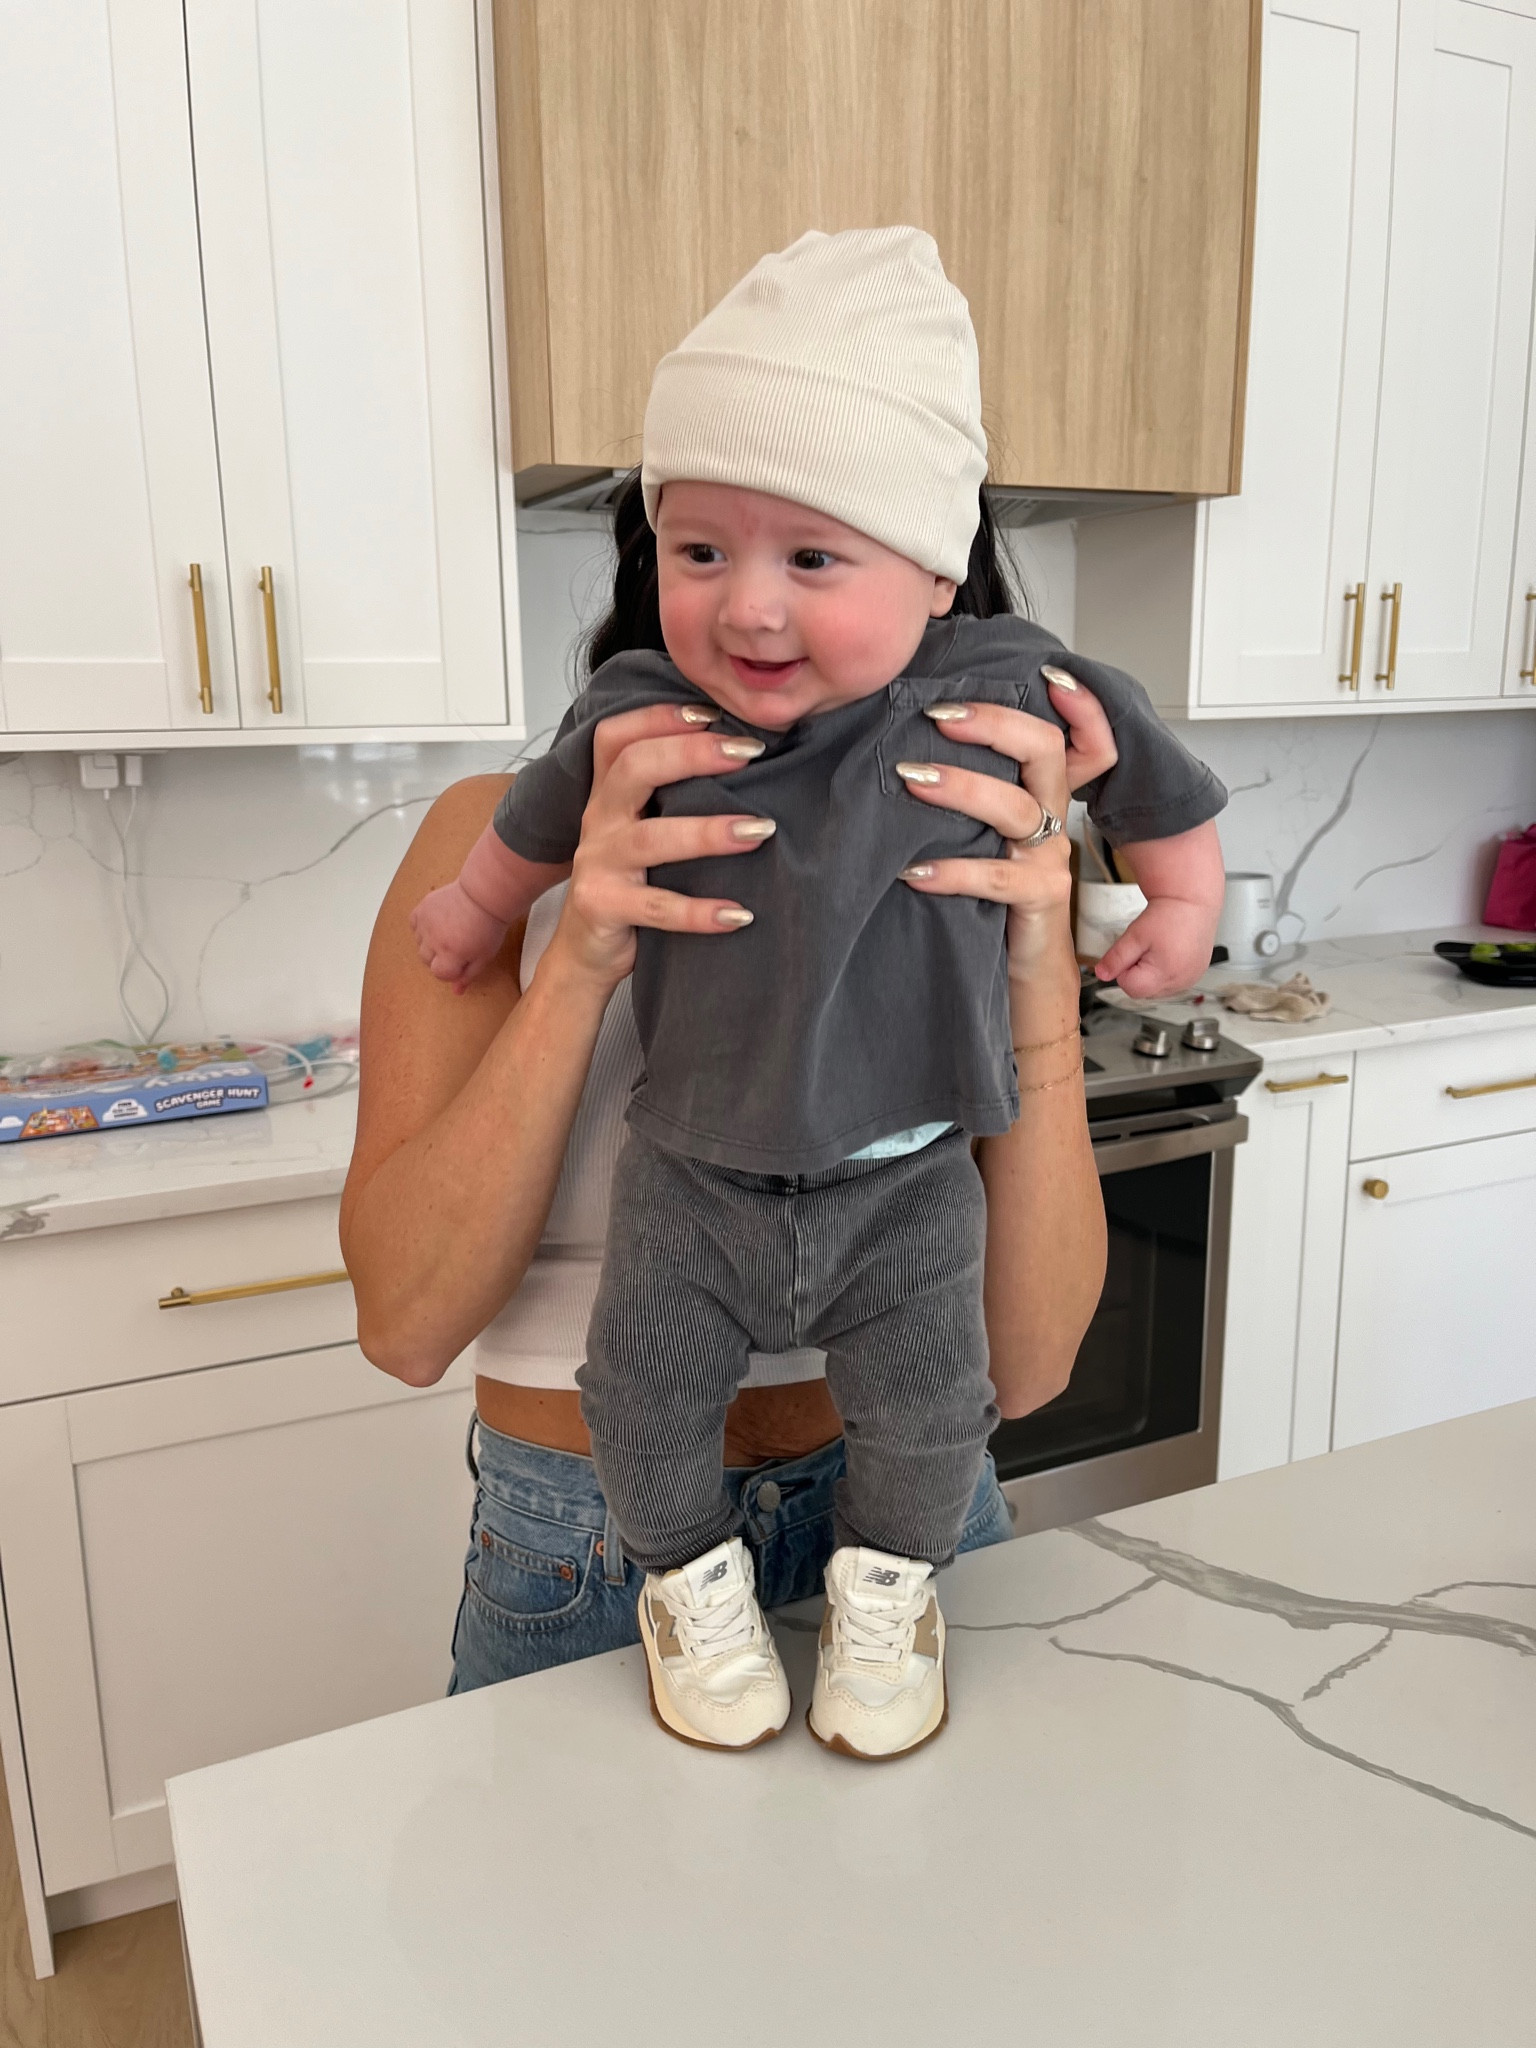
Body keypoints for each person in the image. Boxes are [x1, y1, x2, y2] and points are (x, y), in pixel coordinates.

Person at [353, 228, 1213, 1759]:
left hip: (917, 1532)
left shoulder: (976, 798)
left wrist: (1037, 976)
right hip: (595, 1552)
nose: (758, 607)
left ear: (923, 570)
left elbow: (1027, 1366)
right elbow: (409, 1328)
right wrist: (581, 952)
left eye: (816, 555)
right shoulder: (511, 824)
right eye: (710, 548)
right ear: (663, 546)